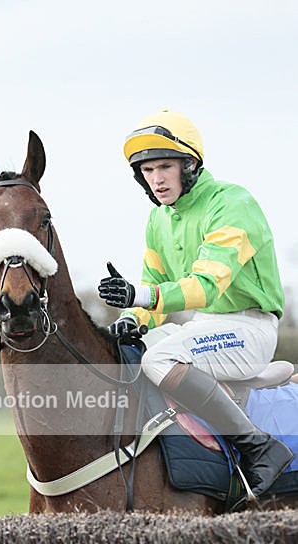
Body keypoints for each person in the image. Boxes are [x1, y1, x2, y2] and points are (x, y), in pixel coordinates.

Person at [98, 108, 294, 497]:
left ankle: (260, 447)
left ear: (189, 165)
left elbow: (206, 286)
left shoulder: (232, 203)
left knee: (160, 360)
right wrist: (130, 317)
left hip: (250, 328)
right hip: (206, 327)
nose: (155, 179)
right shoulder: (159, 220)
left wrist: (141, 296)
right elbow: (153, 286)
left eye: (165, 167)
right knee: (135, 351)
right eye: (148, 170)